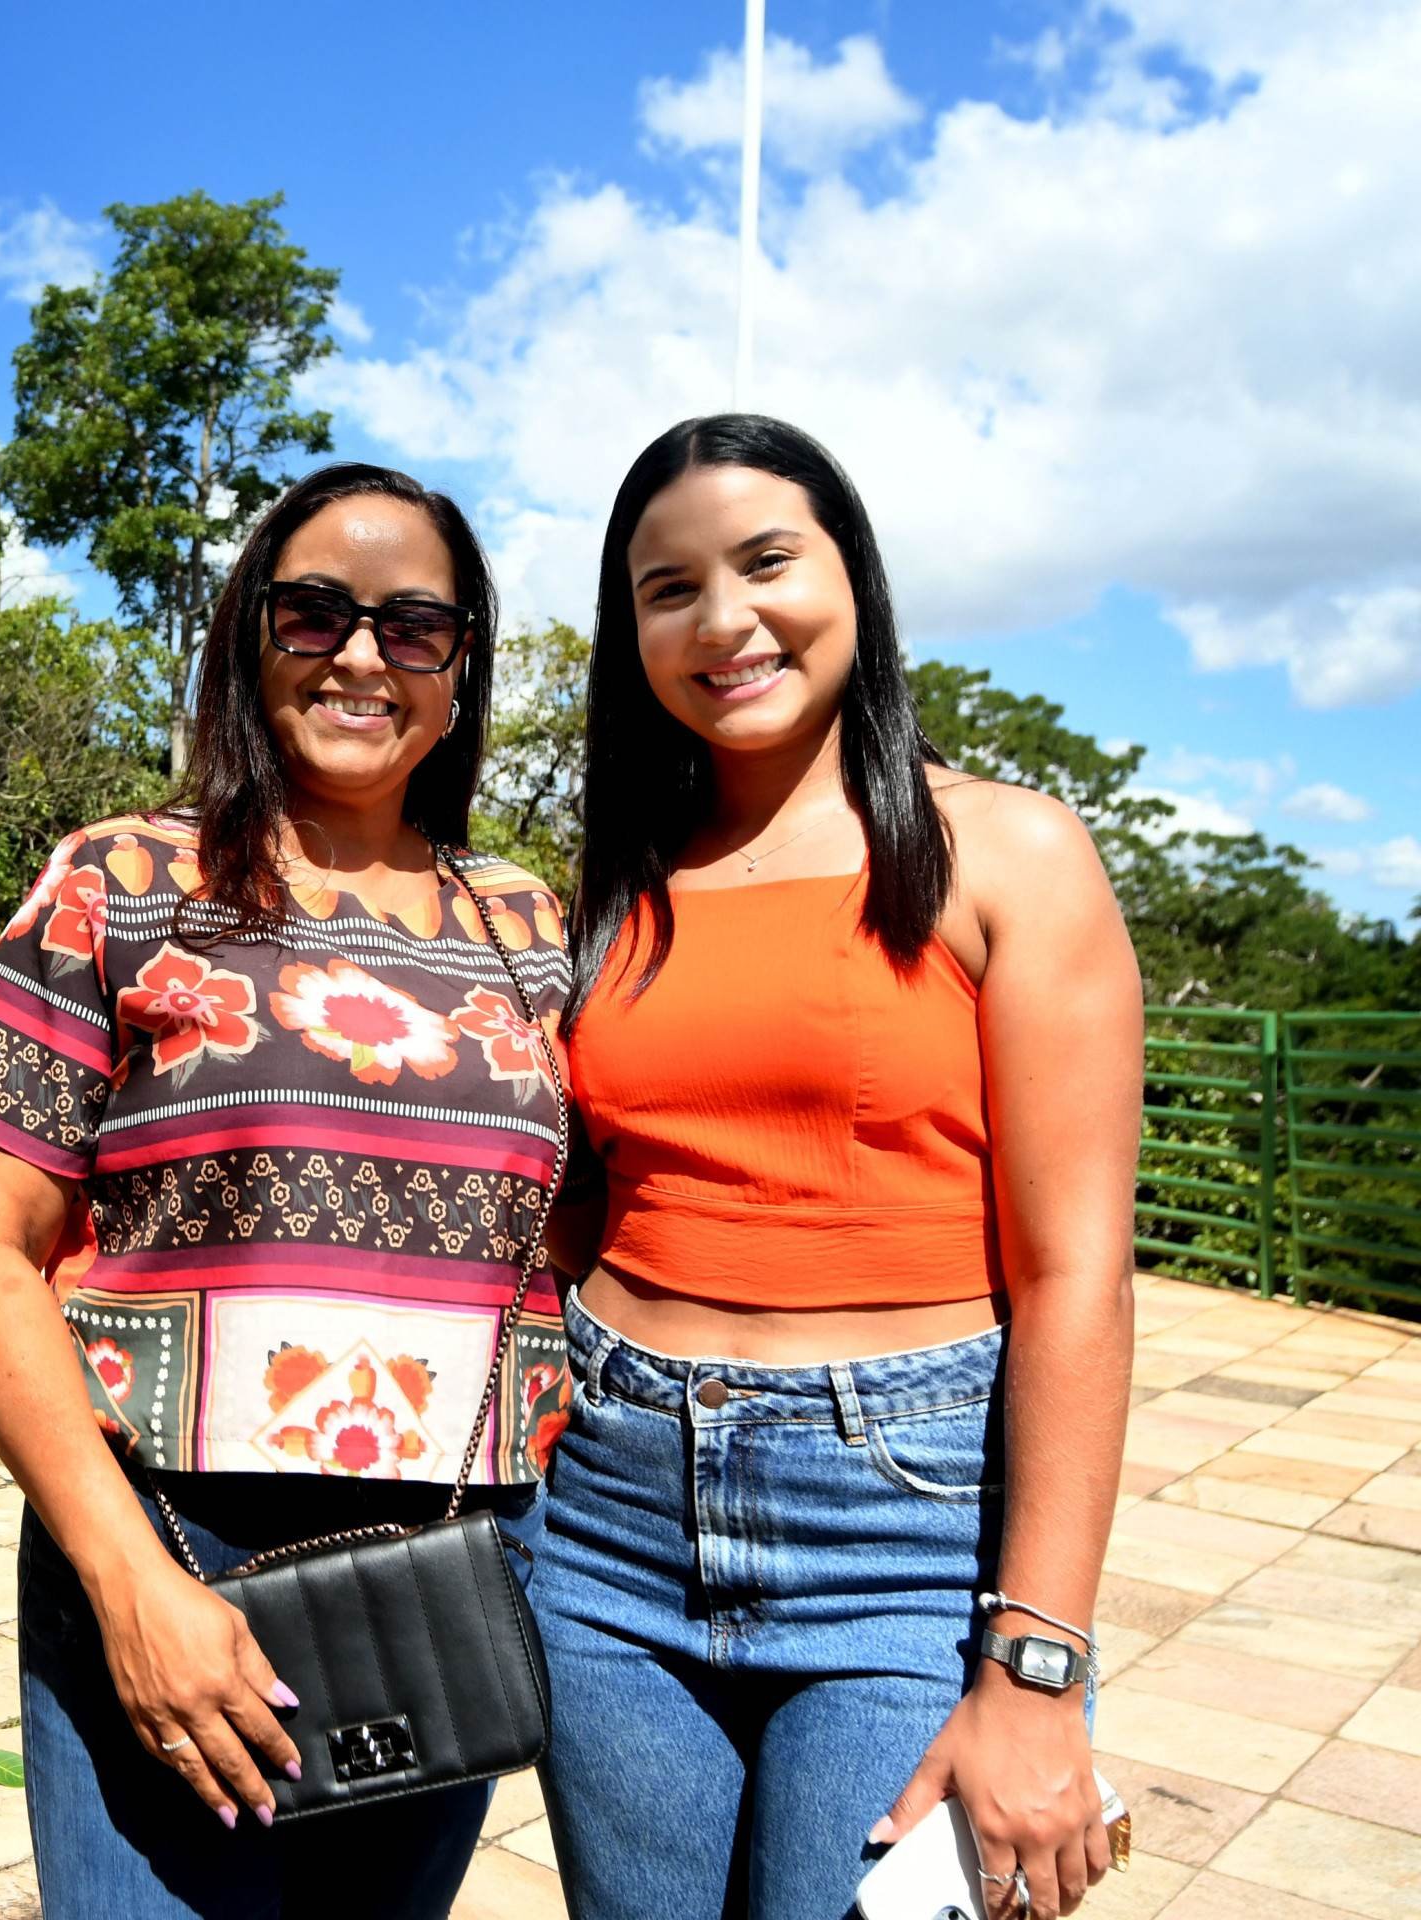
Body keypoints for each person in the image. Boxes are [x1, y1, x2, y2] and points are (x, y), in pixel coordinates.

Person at [0, 463, 574, 1919]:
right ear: (248, 638)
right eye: (314, 612)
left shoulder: (530, 925)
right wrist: (130, 1585)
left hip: (438, 1570)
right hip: (167, 1541)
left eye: (413, 627)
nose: (358, 654)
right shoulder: (123, 881)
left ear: (460, 671)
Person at [535, 413, 1139, 1920]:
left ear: (852, 576)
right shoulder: (615, 890)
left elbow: (1078, 1274)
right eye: (667, 589)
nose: (723, 619)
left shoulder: (1006, 852)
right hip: (605, 1508)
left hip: (902, 1528)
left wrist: (1041, 1666)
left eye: (765, 561)